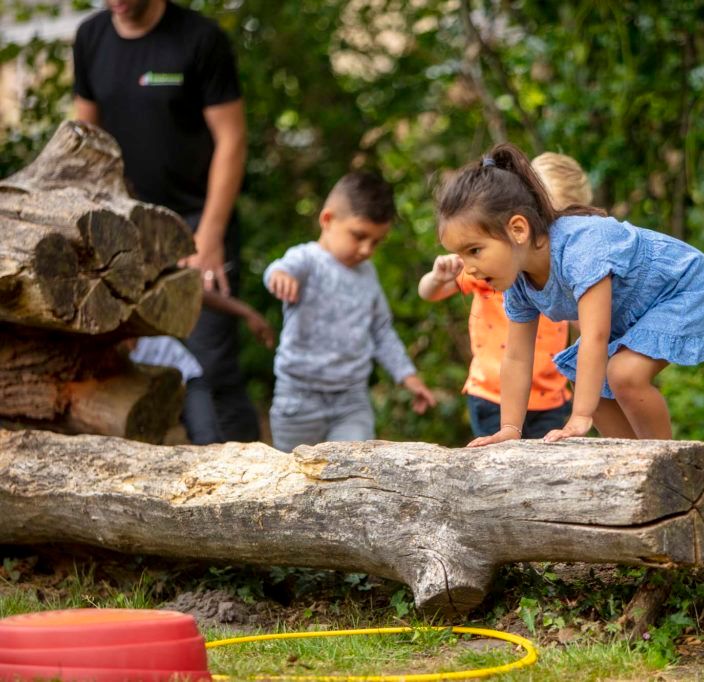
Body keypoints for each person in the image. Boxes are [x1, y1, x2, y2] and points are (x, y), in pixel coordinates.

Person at [435, 143, 704, 446]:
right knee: (587, 377)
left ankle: (669, 462)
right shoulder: (519, 282)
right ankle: (633, 460)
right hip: (635, 308)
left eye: (474, 251)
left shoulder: (580, 248)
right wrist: (510, 429)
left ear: (518, 230)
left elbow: (594, 337)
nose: (467, 268)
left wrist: (579, 417)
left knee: (624, 375)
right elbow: (517, 357)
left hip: (682, 286)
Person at [72, 0, 259, 441]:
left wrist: (209, 235)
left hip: (195, 225)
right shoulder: (91, 37)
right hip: (121, 230)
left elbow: (231, 139)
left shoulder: (199, 39)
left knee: (212, 365)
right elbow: (84, 141)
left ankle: (245, 488)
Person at [418, 152, 594, 438]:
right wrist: (437, 278)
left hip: (552, 396)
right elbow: (430, 293)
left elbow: (587, 327)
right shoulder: (485, 263)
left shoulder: (566, 267)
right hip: (494, 394)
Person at [264, 171, 436, 452]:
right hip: (298, 397)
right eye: (359, 236)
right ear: (328, 220)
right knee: (291, 475)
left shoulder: (368, 275)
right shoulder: (307, 259)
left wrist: (408, 376)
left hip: (351, 400)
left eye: (376, 241)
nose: (367, 249)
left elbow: (381, 330)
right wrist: (280, 275)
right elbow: (278, 268)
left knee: (353, 465)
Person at [127, 291, 274, 445]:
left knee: (208, 441)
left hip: (185, 377)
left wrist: (248, 313)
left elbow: (197, 292)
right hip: (138, 389)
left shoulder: (142, 291)